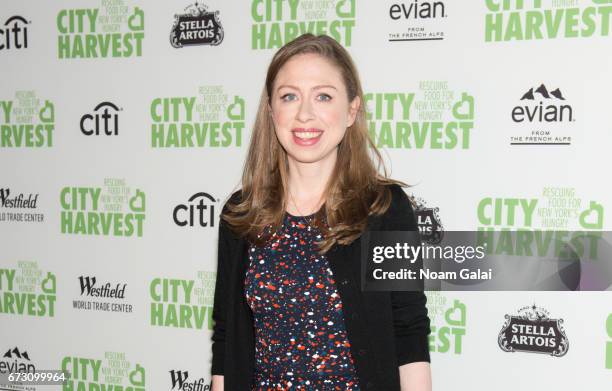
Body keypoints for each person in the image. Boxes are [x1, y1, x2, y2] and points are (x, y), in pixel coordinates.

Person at [210, 33, 431, 391]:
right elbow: (226, 337)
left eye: (324, 96)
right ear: (271, 110)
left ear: (351, 111)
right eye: (289, 96)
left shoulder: (384, 208)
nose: (305, 114)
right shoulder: (241, 213)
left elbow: (408, 330)